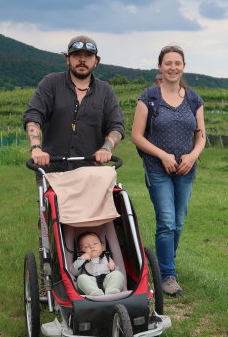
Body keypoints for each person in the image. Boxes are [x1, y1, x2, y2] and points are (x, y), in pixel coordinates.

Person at [131, 44, 206, 297]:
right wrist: (162, 155)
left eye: (177, 63)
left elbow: (201, 136)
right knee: (166, 221)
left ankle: (164, 263)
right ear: (160, 67)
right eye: (168, 63)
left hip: (186, 169)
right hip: (157, 168)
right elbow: (137, 136)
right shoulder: (149, 97)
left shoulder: (194, 99)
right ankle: (167, 275)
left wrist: (192, 156)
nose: (173, 67)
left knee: (179, 222)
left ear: (183, 67)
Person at [22, 35, 125, 171]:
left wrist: (106, 148)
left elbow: (116, 126)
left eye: (88, 56)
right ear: (68, 59)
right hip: (52, 169)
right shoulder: (51, 83)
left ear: (96, 61)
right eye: (76, 55)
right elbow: (33, 116)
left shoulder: (105, 91)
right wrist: (36, 148)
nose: (82, 60)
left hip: (91, 170)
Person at [70, 231, 124, 296]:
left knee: (117, 274)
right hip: (91, 283)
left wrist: (113, 268)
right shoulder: (82, 260)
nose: (92, 247)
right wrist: (81, 259)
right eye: (86, 246)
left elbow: (115, 271)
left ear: (103, 247)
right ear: (80, 252)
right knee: (81, 278)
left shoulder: (106, 257)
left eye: (95, 244)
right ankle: (95, 294)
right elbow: (74, 272)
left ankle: (112, 292)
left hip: (107, 281)